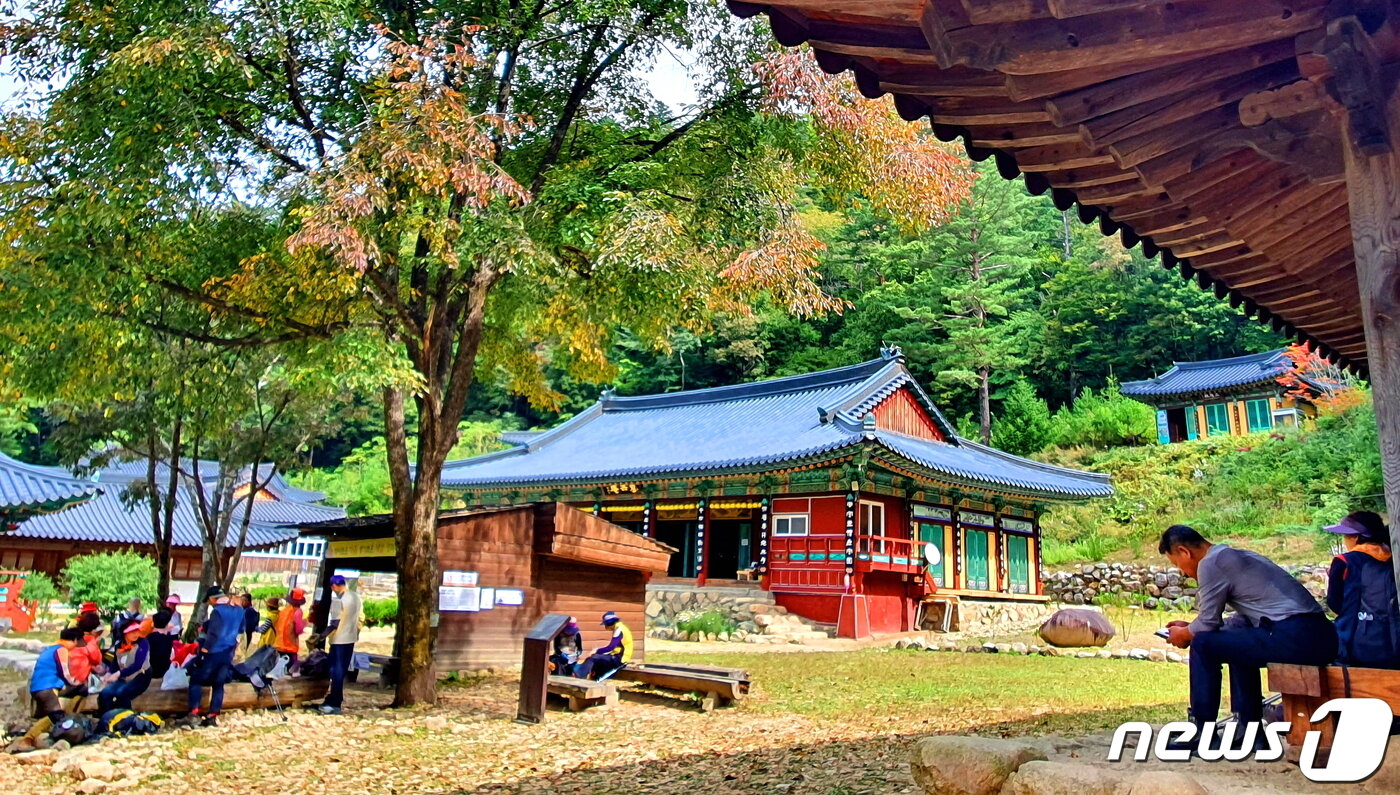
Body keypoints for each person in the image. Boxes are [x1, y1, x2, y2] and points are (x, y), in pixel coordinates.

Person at [1160, 525, 1337, 746]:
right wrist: (1189, 627)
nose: (1183, 572)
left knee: (1203, 644)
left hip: (1297, 635)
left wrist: (1186, 633)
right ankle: (1249, 731)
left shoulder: (1210, 563)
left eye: (1178, 564)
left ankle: (1202, 731)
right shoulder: (1235, 555)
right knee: (1236, 640)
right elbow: (1223, 623)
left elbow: (1207, 623)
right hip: (1317, 634)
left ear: (1184, 551)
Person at [1326, 511, 1400, 668]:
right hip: (1392, 640)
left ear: (1356, 537)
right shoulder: (1392, 556)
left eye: (1347, 536)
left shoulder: (1343, 561)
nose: (1345, 540)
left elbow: (1334, 604)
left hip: (1352, 640)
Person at [12, 627, 85, 752]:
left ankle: (38, 738)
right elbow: (65, 672)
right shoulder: (62, 650)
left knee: (45, 717)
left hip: (37, 688)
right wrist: (75, 682)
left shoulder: (50, 648)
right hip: (47, 687)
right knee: (55, 715)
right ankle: (27, 739)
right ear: (74, 640)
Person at [180, 586, 244, 728]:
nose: (210, 604)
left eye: (209, 601)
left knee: (196, 680)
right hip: (228, 653)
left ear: (214, 598)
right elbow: (241, 630)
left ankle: (193, 714)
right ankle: (212, 716)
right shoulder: (239, 610)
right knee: (218, 683)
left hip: (214, 651)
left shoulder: (217, 612)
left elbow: (213, 634)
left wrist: (204, 650)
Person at [318, 574, 362, 715]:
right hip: (350, 638)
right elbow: (361, 617)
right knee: (341, 671)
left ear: (334, 586)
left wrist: (321, 636)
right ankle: (335, 697)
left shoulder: (339, 601)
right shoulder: (356, 597)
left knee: (335, 671)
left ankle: (334, 702)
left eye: (332, 587)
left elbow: (335, 623)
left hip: (339, 640)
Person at [98, 619, 152, 711]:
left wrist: (118, 674)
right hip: (123, 677)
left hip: (140, 676)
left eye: (137, 631)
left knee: (122, 693)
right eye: (132, 632)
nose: (135, 634)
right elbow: (115, 662)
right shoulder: (118, 644)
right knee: (105, 694)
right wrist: (109, 673)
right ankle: (106, 717)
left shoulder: (143, 643)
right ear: (124, 633)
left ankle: (126, 718)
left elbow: (138, 665)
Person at [574, 611, 632, 680]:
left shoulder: (618, 629)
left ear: (609, 623)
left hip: (620, 659)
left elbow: (610, 647)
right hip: (617, 656)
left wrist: (596, 651)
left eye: (605, 624)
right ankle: (594, 679)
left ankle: (579, 677)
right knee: (598, 660)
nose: (605, 627)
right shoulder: (620, 627)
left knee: (593, 658)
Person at [273, 588, 308, 674]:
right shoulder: (298, 612)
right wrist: (305, 622)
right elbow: (298, 630)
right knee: (289, 671)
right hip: (290, 646)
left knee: (278, 669)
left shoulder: (284, 611)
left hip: (279, 644)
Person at [143, 604, 177, 679]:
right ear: (167, 624)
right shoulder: (169, 639)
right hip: (164, 671)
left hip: (151, 671)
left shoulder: (149, 638)